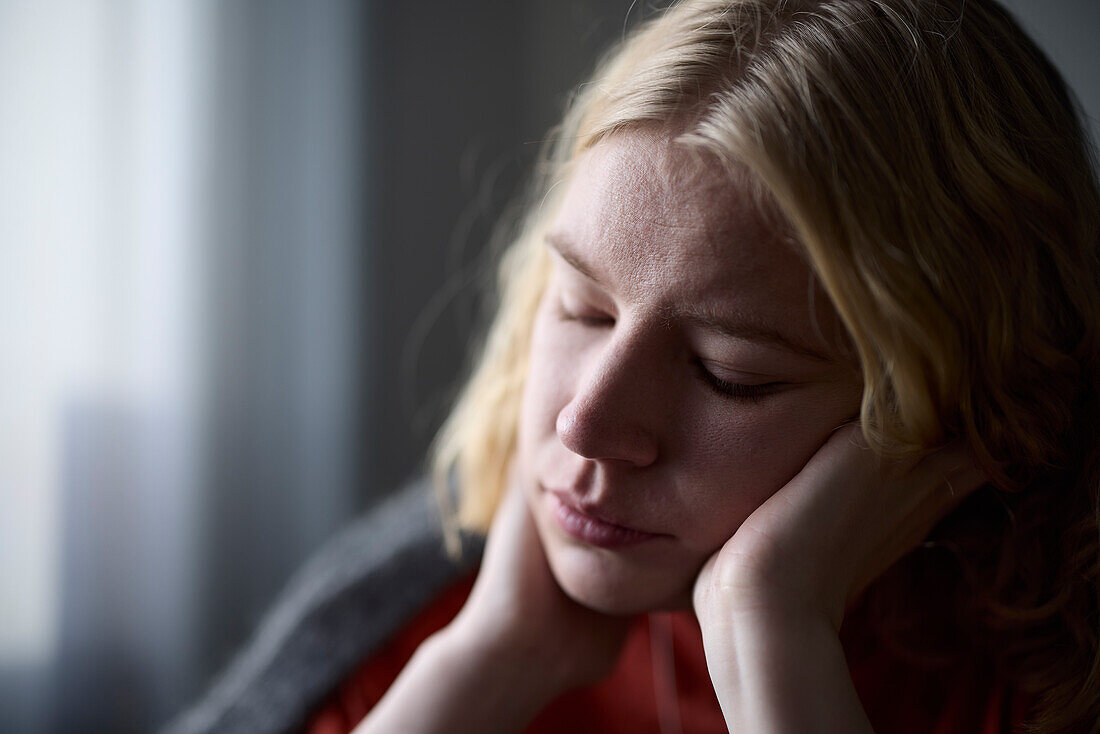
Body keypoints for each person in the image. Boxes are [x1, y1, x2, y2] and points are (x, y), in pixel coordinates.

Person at [311, 0, 1100, 731]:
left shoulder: (1043, 693)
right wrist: (491, 663)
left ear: (950, 406)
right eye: (584, 310)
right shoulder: (410, 608)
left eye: (731, 374)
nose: (584, 424)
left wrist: (773, 635)